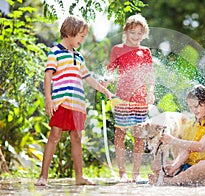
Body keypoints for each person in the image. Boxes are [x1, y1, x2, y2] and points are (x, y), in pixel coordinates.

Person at [35, 15, 114, 186]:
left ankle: (80, 177)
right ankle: (43, 177)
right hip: (61, 102)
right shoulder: (55, 52)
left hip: (78, 104)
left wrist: (106, 91)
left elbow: (89, 78)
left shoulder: (78, 57)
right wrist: (48, 100)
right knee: (54, 136)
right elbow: (47, 76)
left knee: (77, 138)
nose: (83, 40)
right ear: (70, 33)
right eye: (81, 36)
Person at [106, 14, 155, 182]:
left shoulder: (145, 52)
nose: (136, 36)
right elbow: (110, 72)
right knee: (120, 134)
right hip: (123, 98)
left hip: (140, 100)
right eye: (132, 32)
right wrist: (104, 84)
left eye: (139, 33)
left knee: (139, 137)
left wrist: (151, 91)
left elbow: (151, 76)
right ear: (125, 31)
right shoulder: (117, 50)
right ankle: (122, 172)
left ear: (144, 34)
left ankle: (135, 173)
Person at [150, 84, 205, 186]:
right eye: (190, 107)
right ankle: (189, 179)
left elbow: (201, 146)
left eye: (196, 106)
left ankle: (170, 181)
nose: (194, 110)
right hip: (188, 168)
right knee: (156, 165)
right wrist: (174, 167)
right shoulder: (191, 124)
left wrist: (172, 140)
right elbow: (186, 149)